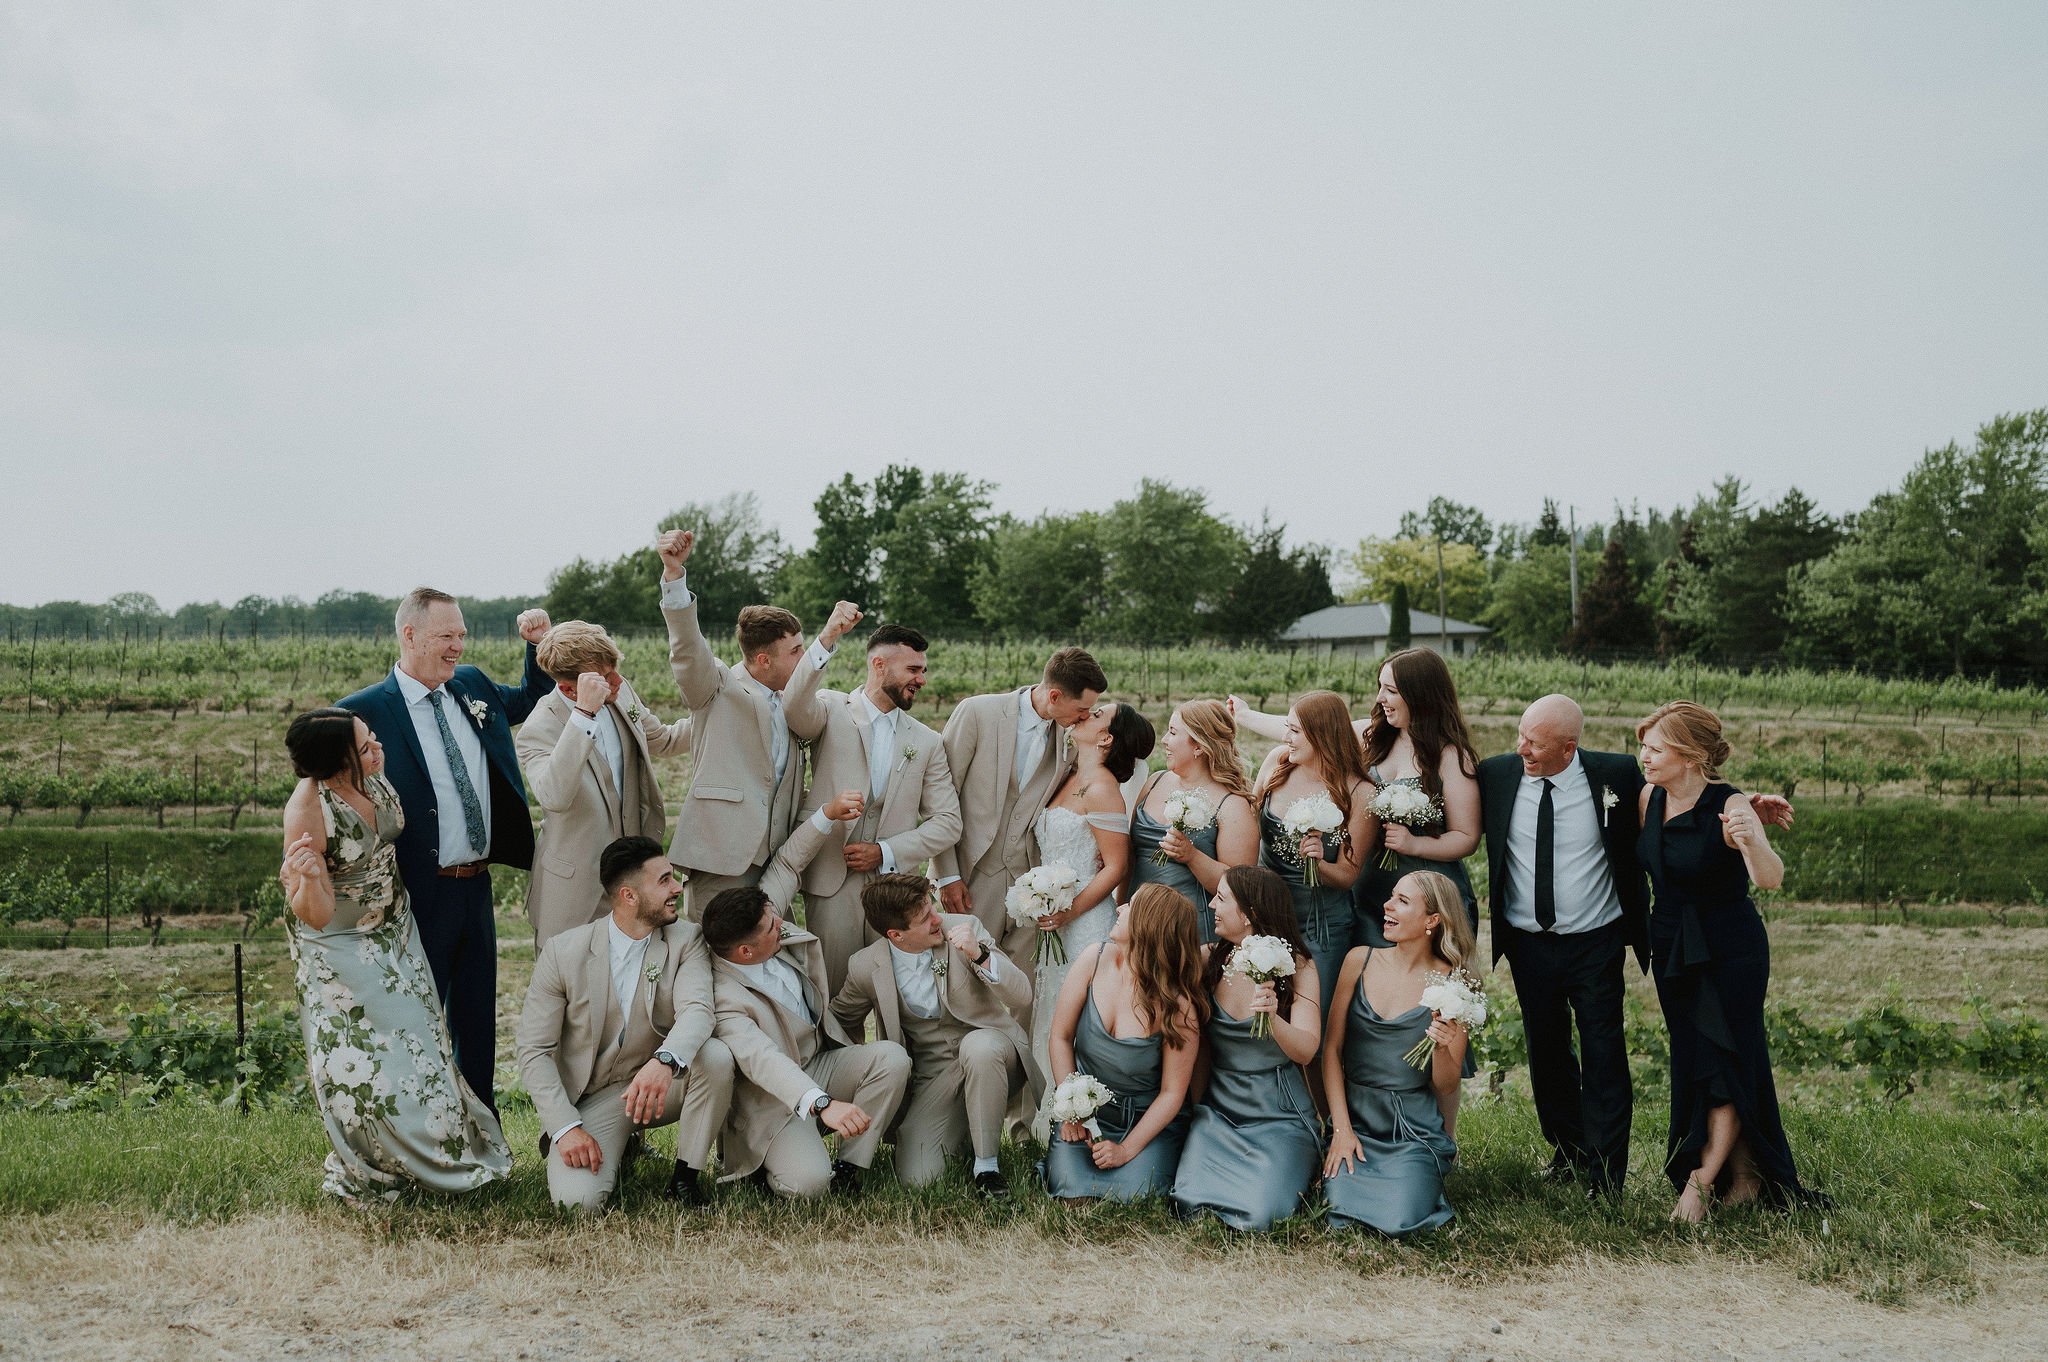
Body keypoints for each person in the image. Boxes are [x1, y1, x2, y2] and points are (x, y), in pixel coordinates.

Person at [278, 707, 510, 1203]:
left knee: (424, 1047)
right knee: (367, 1062)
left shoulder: (373, 780)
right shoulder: (308, 809)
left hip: (395, 931)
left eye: (373, 739)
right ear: (337, 762)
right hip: (340, 950)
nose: (377, 749)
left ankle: (442, 1153)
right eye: (365, 747)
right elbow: (312, 914)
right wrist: (313, 877)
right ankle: (380, 1167)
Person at [336, 587, 555, 1108]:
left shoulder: (472, 685)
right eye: (445, 636)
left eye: (461, 635)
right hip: (413, 893)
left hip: (475, 888)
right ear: (409, 635)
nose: (457, 646)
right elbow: (334, 799)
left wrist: (538, 645)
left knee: (477, 1021)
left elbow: (529, 698)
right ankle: (423, 1135)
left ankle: (483, 1136)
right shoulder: (360, 712)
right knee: (414, 1018)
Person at [1636, 701, 1821, 1220]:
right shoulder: (1649, 798)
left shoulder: (1732, 803)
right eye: (1643, 747)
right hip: (1671, 943)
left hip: (1726, 949)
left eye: (1655, 748)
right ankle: (1746, 1177)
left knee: (1724, 1057)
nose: (1643, 757)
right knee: (1699, 1057)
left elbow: (1770, 877)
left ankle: (1700, 1179)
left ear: (1691, 755)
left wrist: (1748, 840)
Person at [516, 836, 735, 1212]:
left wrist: (665, 1061)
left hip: (664, 1085)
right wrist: (565, 1129)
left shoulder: (687, 939)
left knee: (714, 1057)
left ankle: (685, 1179)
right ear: (629, 896)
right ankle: (618, 1143)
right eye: (664, 880)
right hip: (595, 1096)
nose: (677, 887)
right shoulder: (563, 952)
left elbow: (698, 1010)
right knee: (577, 1204)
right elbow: (533, 1051)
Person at [656, 526, 856, 917]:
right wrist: (674, 578)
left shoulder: (796, 701)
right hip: (722, 858)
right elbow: (687, 650)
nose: (803, 657)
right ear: (763, 660)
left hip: (778, 860)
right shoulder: (717, 685)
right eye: (795, 651)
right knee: (714, 957)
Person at [830, 873, 1038, 1197]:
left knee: (978, 1047)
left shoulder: (965, 926)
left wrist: (980, 955)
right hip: (934, 1075)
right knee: (919, 1177)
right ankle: (966, 1131)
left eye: (932, 908)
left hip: (992, 1053)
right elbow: (840, 1021)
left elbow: (1022, 995)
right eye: (925, 918)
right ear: (895, 934)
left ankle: (988, 1169)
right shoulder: (865, 966)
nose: (937, 919)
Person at [703, 883, 912, 1199]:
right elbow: (763, 1059)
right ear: (745, 951)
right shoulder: (723, 997)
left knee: (892, 1059)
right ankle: (758, 1170)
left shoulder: (778, 941)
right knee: (809, 1186)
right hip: (772, 1099)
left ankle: (848, 1168)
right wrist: (823, 1103)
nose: (781, 925)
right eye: (773, 926)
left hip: (818, 1063)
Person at [786, 622, 962, 992]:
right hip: (832, 878)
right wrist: (828, 637)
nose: (922, 680)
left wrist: (885, 852)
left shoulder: (927, 741)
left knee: (901, 993)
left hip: (898, 889)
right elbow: (794, 707)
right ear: (879, 665)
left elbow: (948, 822)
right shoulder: (831, 708)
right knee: (833, 992)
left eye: (923, 671)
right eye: (913, 669)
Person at [517, 620, 692, 949]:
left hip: (632, 884)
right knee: (574, 992)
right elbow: (553, 795)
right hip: (575, 893)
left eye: (615, 671)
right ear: (571, 689)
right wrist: (583, 714)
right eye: (606, 677)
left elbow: (664, 740)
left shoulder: (619, 691)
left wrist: (719, 715)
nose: (617, 682)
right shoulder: (539, 728)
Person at [932, 647, 1107, 969]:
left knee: (1022, 988)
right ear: (1054, 696)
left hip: (1033, 883)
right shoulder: (976, 713)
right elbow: (941, 797)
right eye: (1081, 708)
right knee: (963, 975)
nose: (1085, 716)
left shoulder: (1070, 740)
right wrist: (947, 876)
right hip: (970, 875)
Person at [1321, 870, 1473, 1237]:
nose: (1387, 906)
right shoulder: (1359, 959)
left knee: (1401, 1219)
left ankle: (1421, 1174)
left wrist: (1441, 1046)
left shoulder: (1455, 983)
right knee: (1340, 1213)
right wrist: (1341, 1129)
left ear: (1432, 921)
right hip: (1356, 1119)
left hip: (1411, 1128)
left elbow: (1448, 1083)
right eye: (1391, 897)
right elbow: (1331, 1051)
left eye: (1402, 902)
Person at [1170, 866, 1321, 1231]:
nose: (1211, 905)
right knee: (1187, 1205)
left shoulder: (1299, 966)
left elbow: (1307, 1050)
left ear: (1251, 913)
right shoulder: (1210, 960)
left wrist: (1274, 1019)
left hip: (1279, 1115)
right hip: (1220, 1112)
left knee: (1262, 1216)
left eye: (1222, 898)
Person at [1026, 702, 1153, 1111]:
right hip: (1055, 919)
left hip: (1082, 923)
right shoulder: (1067, 775)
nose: (1086, 713)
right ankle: (1050, 1112)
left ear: (1106, 738)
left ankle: (1084, 1110)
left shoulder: (1101, 787)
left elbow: (1116, 866)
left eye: (1097, 714)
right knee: (1050, 1011)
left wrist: (1070, 910)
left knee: (1076, 1021)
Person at [1044, 884, 1205, 1203]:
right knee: (1070, 1191)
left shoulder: (1178, 1006)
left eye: (1130, 906)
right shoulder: (1094, 959)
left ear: (1149, 925)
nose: (1118, 908)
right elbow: (1060, 1038)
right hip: (1088, 1115)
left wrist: (1126, 1150)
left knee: (1137, 1195)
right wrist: (1072, 1109)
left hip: (1144, 1123)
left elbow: (1173, 1094)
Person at [1251, 690, 1376, 1011]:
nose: (1286, 737)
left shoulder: (1360, 793)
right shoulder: (1277, 762)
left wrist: (1318, 862)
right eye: (1287, 728)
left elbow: (1348, 876)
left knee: (1312, 1022)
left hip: (1321, 926)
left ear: (1322, 735)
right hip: (1265, 917)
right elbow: (1250, 829)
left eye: (1295, 730)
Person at [1352, 649, 1481, 948]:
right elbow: (1309, 729)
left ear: (1420, 695)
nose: (1380, 698)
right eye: (1380, 687)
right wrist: (1242, 715)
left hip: (1427, 901)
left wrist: (1414, 843)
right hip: (1370, 896)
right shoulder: (1372, 736)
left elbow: (1467, 837)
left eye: (1391, 690)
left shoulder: (1450, 756)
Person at [1125, 699, 1259, 942]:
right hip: (1136, 920)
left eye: (1173, 732)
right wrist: (1122, 905)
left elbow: (1240, 888)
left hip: (1187, 931)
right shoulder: (1156, 781)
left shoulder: (1231, 805)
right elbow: (1131, 856)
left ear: (1198, 746)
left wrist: (1192, 856)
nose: (1164, 739)